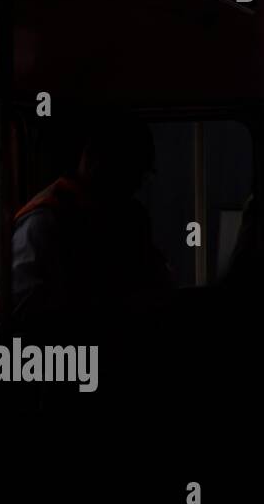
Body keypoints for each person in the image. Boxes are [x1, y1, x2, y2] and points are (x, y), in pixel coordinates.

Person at [10, 116, 172, 338]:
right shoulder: (45, 222)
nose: (135, 185)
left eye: (139, 174)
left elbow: (155, 279)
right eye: (129, 171)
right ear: (96, 163)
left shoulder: (130, 217)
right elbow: (26, 314)